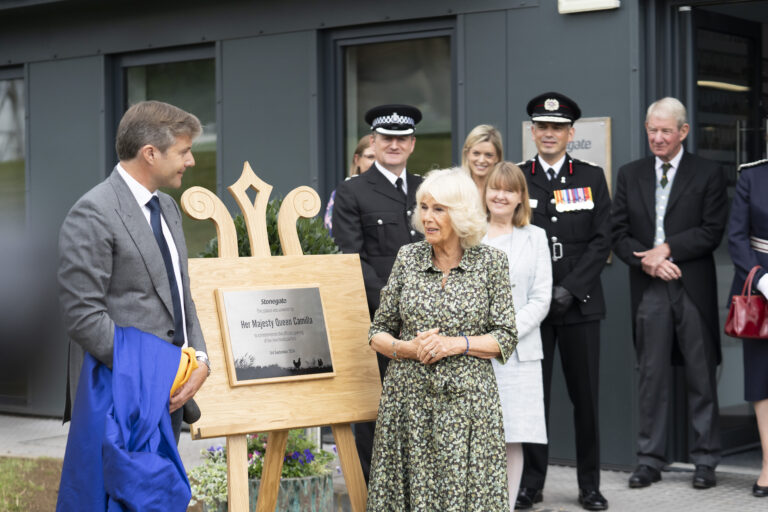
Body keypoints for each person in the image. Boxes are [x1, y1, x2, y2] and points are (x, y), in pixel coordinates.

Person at [366, 167, 518, 511]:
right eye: (423, 207)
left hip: (468, 408)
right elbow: (377, 332)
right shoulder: (408, 257)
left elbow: (505, 336)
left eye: (439, 209)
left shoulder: (491, 262)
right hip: (409, 405)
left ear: (461, 213)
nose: (427, 218)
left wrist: (456, 343)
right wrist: (406, 348)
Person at [58, 100, 211, 438]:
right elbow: (83, 317)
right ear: (150, 153)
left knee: (165, 493)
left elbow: (179, 294)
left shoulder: (168, 207)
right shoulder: (92, 213)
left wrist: (200, 358)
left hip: (170, 397)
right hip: (119, 400)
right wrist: (155, 368)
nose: (191, 160)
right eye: (184, 151)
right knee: (121, 494)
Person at [611, 97, 726, 491]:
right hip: (650, 285)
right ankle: (650, 459)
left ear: (683, 132)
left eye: (665, 131)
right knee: (652, 376)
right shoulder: (630, 174)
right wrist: (648, 261)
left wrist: (668, 248)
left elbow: (712, 230)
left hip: (691, 284)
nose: (657, 138)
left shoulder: (708, 173)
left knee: (701, 375)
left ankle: (706, 460)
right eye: (652, 130)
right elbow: (618, 232)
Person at [516, 92, 612, 511]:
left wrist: (569, 289)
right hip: (532, 309)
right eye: (542, 126)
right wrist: (541, 295)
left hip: (580, 304)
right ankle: (530, 483)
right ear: (533, 132)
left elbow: (601, 240)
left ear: (571, 133)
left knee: (585, 399)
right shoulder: (517, 177)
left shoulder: (591, 176)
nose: (549, 134)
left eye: (557, 127)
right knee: (533, 399)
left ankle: (589, 485)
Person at [332, 104, 424, 481]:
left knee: (420, 413)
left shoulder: (424, 189)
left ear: (412, 143)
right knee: (377, 412)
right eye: (387, 138)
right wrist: (397, 305)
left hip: (428, 325)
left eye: (402, 138)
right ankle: (375, 493)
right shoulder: (352, 191)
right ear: (373, 141)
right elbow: (353, 259)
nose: (394, 145)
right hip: (379, 322)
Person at [482, 161, 551, 510]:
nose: (501, 195)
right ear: (485, 191)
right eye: (495, 188)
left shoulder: (535, 238)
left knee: (512, 437)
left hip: (518, 354)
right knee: (479, 437)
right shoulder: (468, 236)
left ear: (521, 196)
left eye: (510, 190)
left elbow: (541, 299)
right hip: (474, 353)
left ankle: (505, 506)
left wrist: (504, 334)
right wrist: (481, 338)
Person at [727, 158, 768, 497]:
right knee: (761, 378)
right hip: (761, 287)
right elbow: (737, 236)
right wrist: (762, 278)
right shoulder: (751, 176)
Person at [323, 135, 376, 235]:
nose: (376, 163)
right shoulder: (344, 193)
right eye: (370, 157)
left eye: (380, 158)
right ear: (357, 160)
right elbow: (331, 235)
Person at [461, 124, 503, 195]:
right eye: (476, 153)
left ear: (498, 157)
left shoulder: (504, 190)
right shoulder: (455, 186)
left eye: (488, 155)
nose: (481, 160)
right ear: (467, 153)